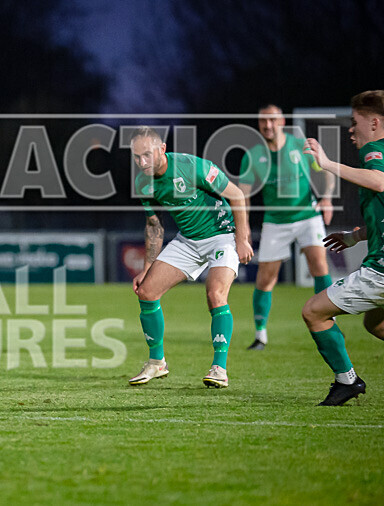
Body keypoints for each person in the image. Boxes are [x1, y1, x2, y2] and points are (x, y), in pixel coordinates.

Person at [129, 127, 253, 388]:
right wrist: (146, 268)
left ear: (162, 149)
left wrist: (242, 239)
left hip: (222, 235)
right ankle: (156, 362)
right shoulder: (143, 183)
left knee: (215, 294)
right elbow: (154, 226)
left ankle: (219, 368)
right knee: (147, 291)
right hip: (188, 241)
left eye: (147, 155)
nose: (142, 162)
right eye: (136, 157)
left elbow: (237, 195)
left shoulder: (192, 166)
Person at [301, 90, 384, 406]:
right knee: (375, 324)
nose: (351, 130)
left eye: (355, 122)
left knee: (313, 312)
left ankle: (347, 380)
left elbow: (378, 182)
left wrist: (326, 163)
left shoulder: (375, 150)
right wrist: (359, 235)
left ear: (374, 122)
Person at [239, 105, 335, 350]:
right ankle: (260, 335)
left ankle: (328, 320)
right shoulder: (252, 156)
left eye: (272, 120)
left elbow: (326, 170)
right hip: (276, 220)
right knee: (265, 279)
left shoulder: (299, 145)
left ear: (281, 121)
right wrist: (245, 226)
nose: (268, 125)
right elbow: (244, 195)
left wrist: (326, 198)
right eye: (263, 121)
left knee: (319, 263)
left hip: (307, 214)